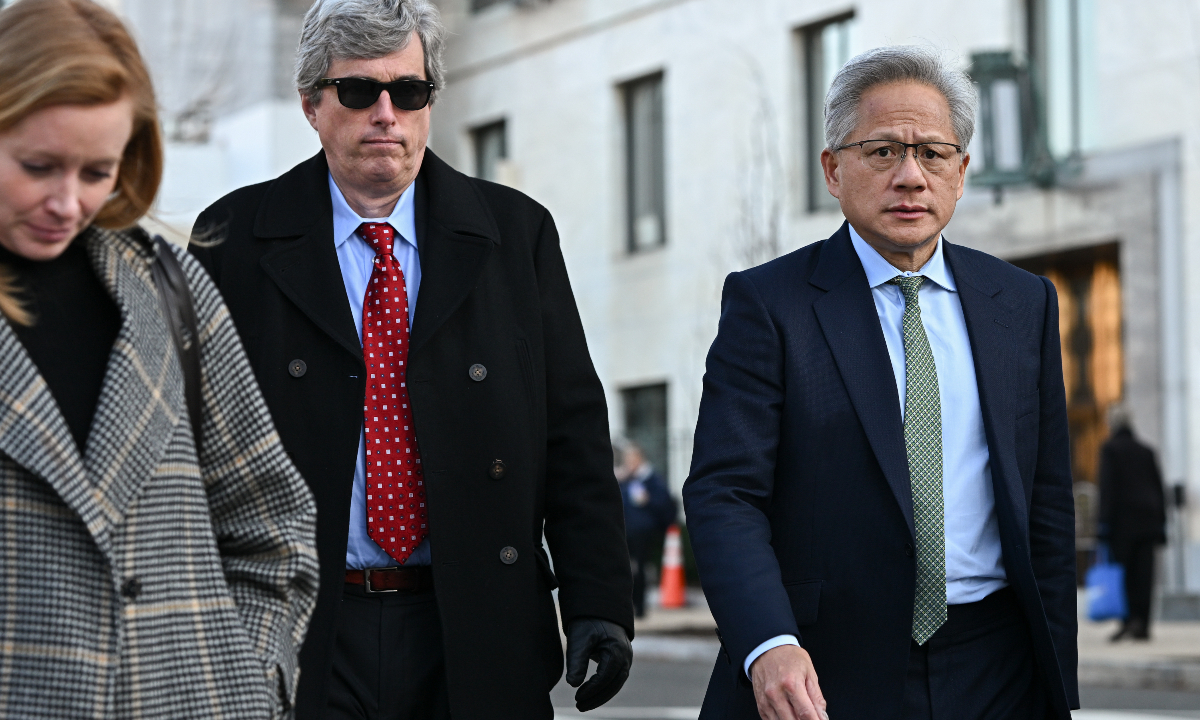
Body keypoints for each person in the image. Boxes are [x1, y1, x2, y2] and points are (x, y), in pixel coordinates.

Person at [188, 1, 634, 717]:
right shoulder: (231, 239)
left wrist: (599, 600)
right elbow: (188, 455)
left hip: (475, 628)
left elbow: (572, 432)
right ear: (310, 104)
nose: (386, 114)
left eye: (409, 91)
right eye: (359, 91)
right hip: (297, 631)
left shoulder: (515, 234)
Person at [683, 46, 1078, 720]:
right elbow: (726, 494)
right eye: (883, 151)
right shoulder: (769, 304)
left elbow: (1046, 503)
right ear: (833, 170)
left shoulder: (1022, 302)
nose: (910, 177)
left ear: (962, 172)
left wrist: (1057, 687)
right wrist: (768, 643)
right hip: (825, 668)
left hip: (997, 664)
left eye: (932, 153)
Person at [0, 1, 320, 717]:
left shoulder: (171, 288)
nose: (66, 202)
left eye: (97, 171)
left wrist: (247, 684)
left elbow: (271, 525)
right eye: (38, 166)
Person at [1098, 404, 1166, 641]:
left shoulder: (1110, 449)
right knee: (1144, 575)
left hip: (1122, 524)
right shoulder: (1146, 450)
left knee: (1124, 574)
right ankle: (1143, 624)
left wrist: (1103, 524)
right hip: (1148, 521)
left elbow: (1108, 489)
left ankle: (1129, 621)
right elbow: (1158, 488)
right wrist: (1162, 524)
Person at [616, 440, 679, 617]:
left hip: (643, 531)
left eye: (632, 458)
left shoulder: (652, 479)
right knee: (626, 568)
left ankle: (640, 606)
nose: (629, 462)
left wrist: (648, 499)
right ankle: (628, 605)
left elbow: (665, 504)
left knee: (640, 568)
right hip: (625, 530)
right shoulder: (624, 480)